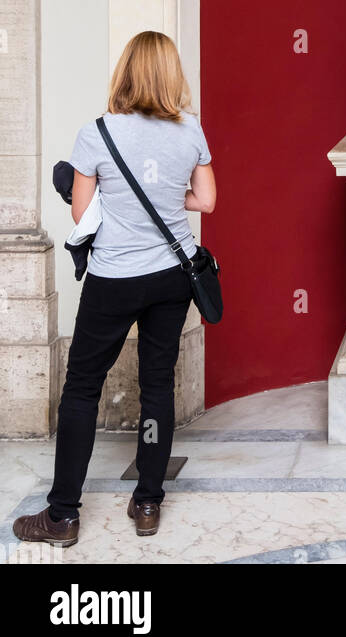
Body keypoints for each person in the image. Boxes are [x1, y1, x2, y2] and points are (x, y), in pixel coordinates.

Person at [13, 31, 216, 547]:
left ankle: (62, 516)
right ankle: (148, 501)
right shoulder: (190, 130)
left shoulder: (96, 133)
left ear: (124, 72)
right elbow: (207, 201)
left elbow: (83, 215)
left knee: (82, 388)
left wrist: (121, 205)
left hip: (113, 281)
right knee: (157, 386)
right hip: (172, 277)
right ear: (172, 75)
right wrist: (167, 197)